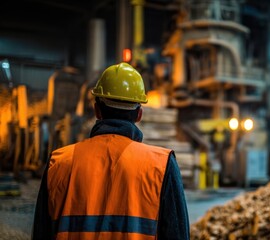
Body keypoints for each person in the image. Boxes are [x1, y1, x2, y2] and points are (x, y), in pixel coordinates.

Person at [32, 62, 190, 240]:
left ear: (97, 110)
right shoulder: (162, 165)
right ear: (139, 115)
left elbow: (41, 232)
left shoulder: (59, 162)